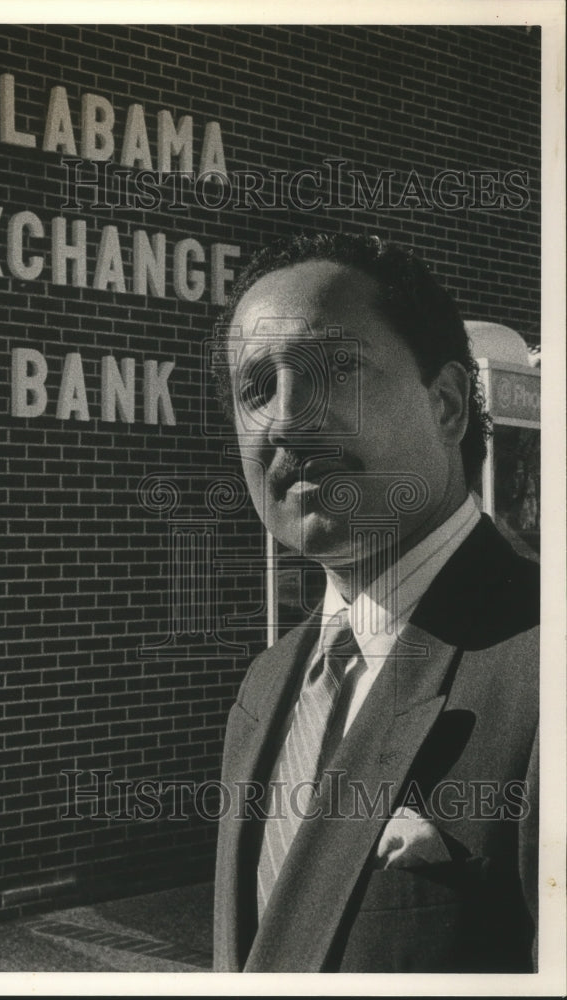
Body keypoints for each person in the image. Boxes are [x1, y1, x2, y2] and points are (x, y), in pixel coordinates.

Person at [211, 232, 539, 973]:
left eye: (337, 370)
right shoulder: (267, 687)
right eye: (257, 388)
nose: (289, 420)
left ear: (448, 405)